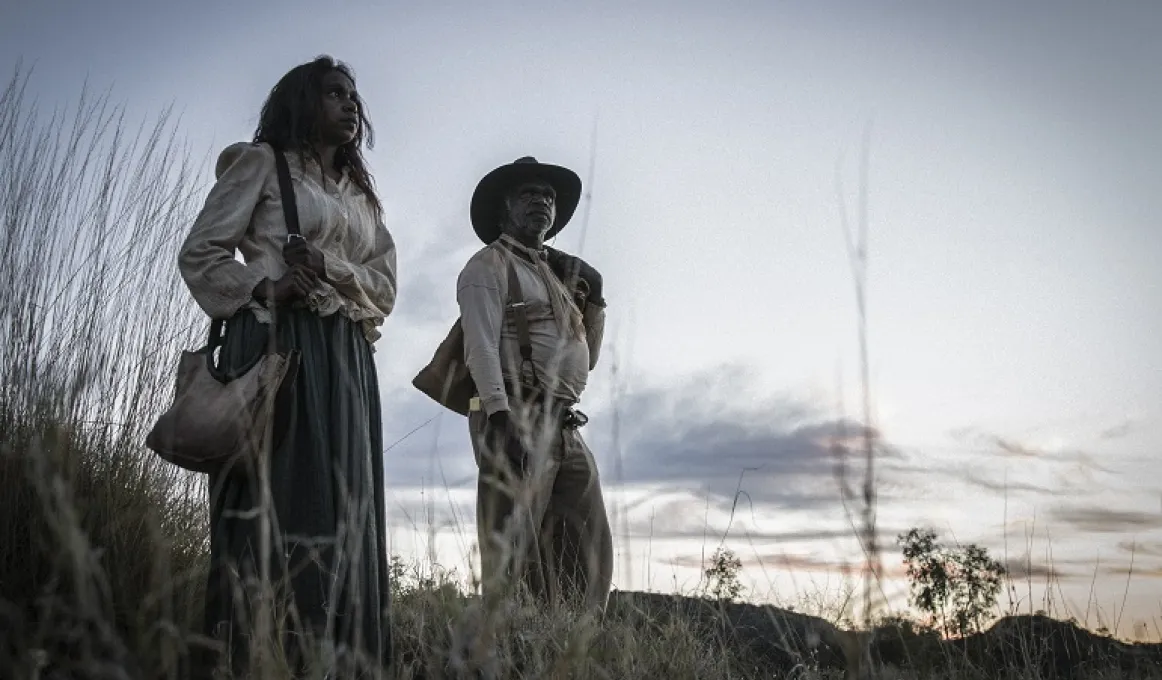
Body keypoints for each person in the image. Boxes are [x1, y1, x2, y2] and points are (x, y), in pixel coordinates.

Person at [177, 56, 396, 677]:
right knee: (280, 505)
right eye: (334, 93)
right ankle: (254, 659)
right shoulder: (261, 164)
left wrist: (333, 270)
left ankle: (336, 664)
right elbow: (201, 252)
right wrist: (264, 286)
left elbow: (385, 288)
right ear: (303, 101)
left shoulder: (361, 198)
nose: (350, 105)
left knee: (346, 507)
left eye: (354, 96)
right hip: (278, 348)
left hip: (348, 360)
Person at [456, 156, 613, 613]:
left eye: (548, 196)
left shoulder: (560, 279)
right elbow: (480, 347)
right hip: (515, 415)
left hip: (566, 423)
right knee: (514, 555)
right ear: (505, 207)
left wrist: (596, 296)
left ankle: (568, 649)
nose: (543, 201)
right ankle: (502, 652)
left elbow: (590, 360)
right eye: (529, 193)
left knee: (588, 552)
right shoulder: (487, 266)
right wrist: (500, 419)